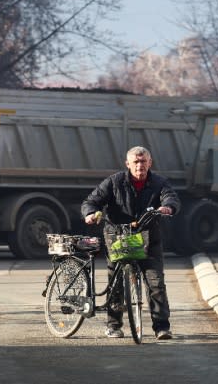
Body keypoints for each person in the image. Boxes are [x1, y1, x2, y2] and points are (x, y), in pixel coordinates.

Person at [81, 146, 180, 340]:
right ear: (128, 164)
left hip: (148, 238)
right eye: (136, 162)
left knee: (156, 283)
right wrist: (90, 214)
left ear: (150, 163)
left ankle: (162, 327)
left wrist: (168, 207)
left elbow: (171, 197)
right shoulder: (114, 181)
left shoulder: (160, 182)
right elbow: (91, 201)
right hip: (119, 237)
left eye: (143, 162)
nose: (140, 166)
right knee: (116, 282)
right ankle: (114, 325)